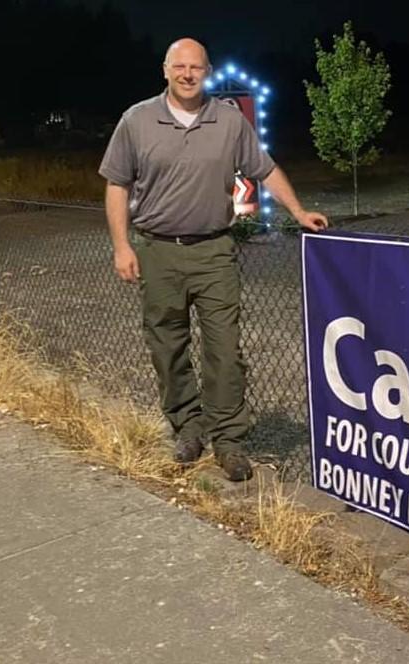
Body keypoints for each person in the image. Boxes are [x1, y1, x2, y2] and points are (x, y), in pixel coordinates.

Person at [99, 38, 328, 481]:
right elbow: (116, 185)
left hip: (214, 251)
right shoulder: (137, 120)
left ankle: (229, 440)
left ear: (207, 71)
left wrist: (298, 211)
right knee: (167, 346)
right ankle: (187, 428)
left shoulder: (227, 120)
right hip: (157, 250)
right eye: (180, 66)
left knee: (224, 350)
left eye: (196, 67)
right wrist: (122, 246)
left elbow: (265, 169)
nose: (188, 74)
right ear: (165, 70)